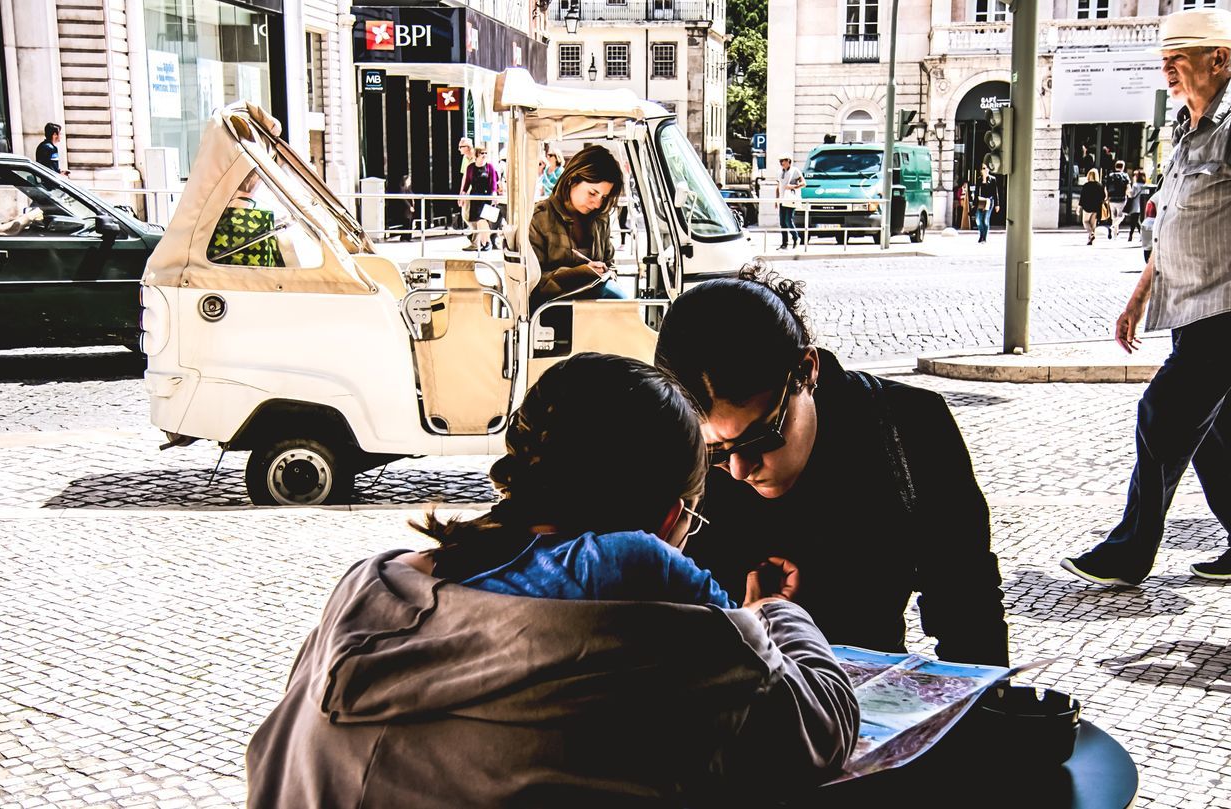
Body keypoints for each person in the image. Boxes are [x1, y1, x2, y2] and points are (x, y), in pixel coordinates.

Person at [245, 352, 860, 808]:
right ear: (671, 515)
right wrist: (773, 614)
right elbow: (821, 726)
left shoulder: (367, 589)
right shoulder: (670, 641)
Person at [655, 267, 1010, 666]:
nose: (739, 468)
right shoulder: (674, 457)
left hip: (873, 709)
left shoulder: (908, 426)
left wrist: (982, 715)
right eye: (716, 451)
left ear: (806, 371)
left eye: (761, 438)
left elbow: (967, 603)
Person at [1061, 8, 1231, 586]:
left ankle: (1130, 553)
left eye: (1176, 63)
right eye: (1163, 64)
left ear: (1220, 60)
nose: (1167, 76)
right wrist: (1138, 298)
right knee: (1211, 432)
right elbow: (1177, 224)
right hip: (1191, 307)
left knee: (1161, 415)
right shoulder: (1189, 129)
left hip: (1224, 313)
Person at [527, 144, 627, 307]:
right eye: (592, 193)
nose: (597, 203)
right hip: (551, 313)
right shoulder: (539, 218)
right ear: (572, 180)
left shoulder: (601, 219)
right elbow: (532, 284)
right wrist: (580, 273)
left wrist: (607, 273)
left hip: (596, 312)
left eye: (604, 197)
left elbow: (610, 263)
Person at [462, 146, 499, 251]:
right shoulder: (471, 168)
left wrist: (494, 194)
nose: (484, 155)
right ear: (476, 155)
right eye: (482, 153)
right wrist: (463, 194)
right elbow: (467, 182)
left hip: (486, 197)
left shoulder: (489, 167)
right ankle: (485, 243)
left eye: (486, 153)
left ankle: (487, 242)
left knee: (483, 220)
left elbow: (493, 183)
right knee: (478, 222)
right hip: (474, 197)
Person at [776, 153, 804, 250]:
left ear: (788, 161)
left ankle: (796, 238)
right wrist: (777, 199)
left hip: (790, 199)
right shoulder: (779, 172)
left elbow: (804, 183)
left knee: (788, 220)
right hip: (782, 199)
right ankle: (784, 243)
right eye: (780, 161)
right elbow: (778, 186)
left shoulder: (795, 171)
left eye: (783, 161)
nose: (781, 163)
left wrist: (793, 186)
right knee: (782, 222)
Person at [1079, 168, 1107, 245]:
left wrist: (1079, 207)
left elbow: (1082, 197)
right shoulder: (1100, 186)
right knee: (1093, 224)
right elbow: (1104, 197)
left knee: (1085, 222)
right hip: (1096, 207)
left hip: (1087, 207)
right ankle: (1090, 240)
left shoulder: (1086, 185)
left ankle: (1091, 234)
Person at [1105, 160, 1132, 240]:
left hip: (1111, 199)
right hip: (1121, 199)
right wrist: (1129, 195)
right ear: (1123, 167)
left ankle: (1115, 235)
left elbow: (1106, 188)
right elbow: (1128, 188)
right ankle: (1112, 227)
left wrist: (1106, 197)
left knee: (1114, 217)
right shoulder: (1125, 175)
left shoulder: (1110, 175)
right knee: (1121, 216)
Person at [972, 165, 999, 243]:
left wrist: (997, 204)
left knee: (985, 220)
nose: (986, 170)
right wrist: (974, 203)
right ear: (981, 170)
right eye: (984, 168)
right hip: (981, 201)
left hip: (989, 201)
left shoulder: (992, 179)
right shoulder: (979, 180)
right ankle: (981, 234)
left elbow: (995, 193)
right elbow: (976, 192)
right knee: (978, 220)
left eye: (987, 168)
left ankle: (984, 237)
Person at [1124, 168, 1147, 242]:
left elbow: (1132, 195)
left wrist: (1128, 192)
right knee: (1138, 220)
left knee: (1134, 220)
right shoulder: (1145, 185)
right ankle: (1141, 235)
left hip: (1135, 205)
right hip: (1142, 205)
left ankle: (1131, 235)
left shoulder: (1135, 185)